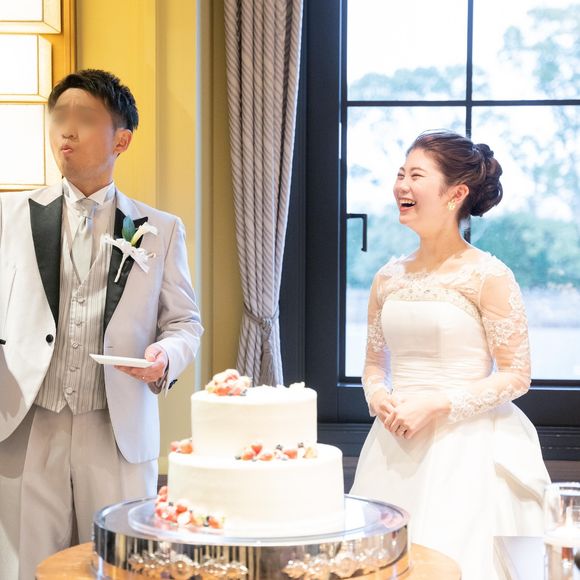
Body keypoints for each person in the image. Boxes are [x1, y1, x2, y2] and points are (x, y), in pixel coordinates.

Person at [0, 69, 203, 579]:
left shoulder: (158, 229)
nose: (66, 130)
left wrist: (165, 357)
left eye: (85, 119)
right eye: (59, 117)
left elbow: (184, 322)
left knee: (118, 564)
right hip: (27, 422)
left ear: (121, 140)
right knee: (28, 566)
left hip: (116, 429)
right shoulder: (8, 215)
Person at [350, 130, 550, 580]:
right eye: (400, 174)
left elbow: (517, 374)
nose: (401, 185)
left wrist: (437, 404)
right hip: (394, 442)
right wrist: (378, 397)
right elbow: (374, 365)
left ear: (455, 194)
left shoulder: (488, 275)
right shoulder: (387, 277)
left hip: (469, 448)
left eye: (416, 175)